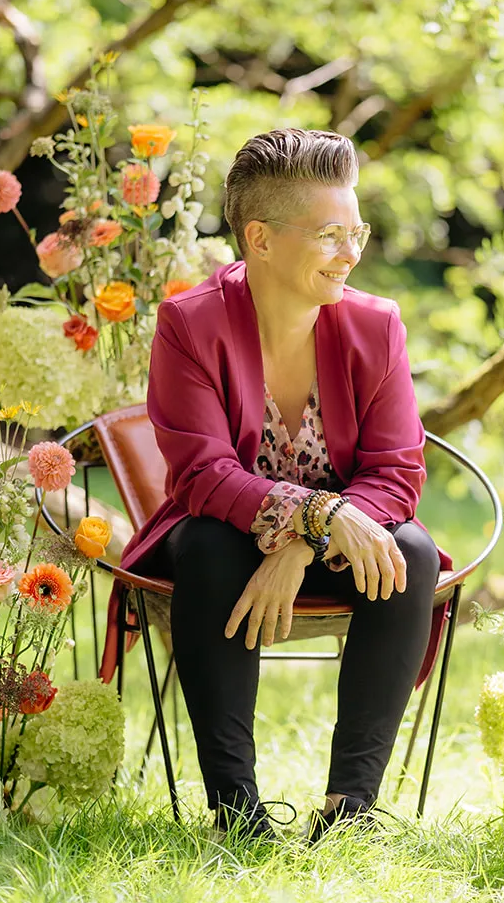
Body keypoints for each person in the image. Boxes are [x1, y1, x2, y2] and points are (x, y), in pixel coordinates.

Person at [110, 127, 451, 841]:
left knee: (412, 552)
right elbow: (203, 475)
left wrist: (304, 539)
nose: (351, 252)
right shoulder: (189, 324)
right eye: (330, 233)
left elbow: (397, 470)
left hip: (339, 539)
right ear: (260, 238)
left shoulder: (376, 324)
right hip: (222, 534)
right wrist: (318, 515)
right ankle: (236, 808)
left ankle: (350, 808)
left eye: (356, 230)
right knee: (207, 546)